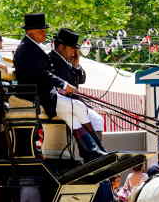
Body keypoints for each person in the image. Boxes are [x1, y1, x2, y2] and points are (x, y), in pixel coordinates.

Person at [13, 14, 105, 161]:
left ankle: (93, 152)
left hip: (46, 94)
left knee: (73, 116)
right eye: (41, 31)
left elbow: (44, 73)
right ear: (31, 32)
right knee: (78, 107)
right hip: (40, 96)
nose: (45, 33)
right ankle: (95, 150)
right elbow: (41, 73)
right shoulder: (27, 49)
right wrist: (63, 84)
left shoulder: (32, 47)